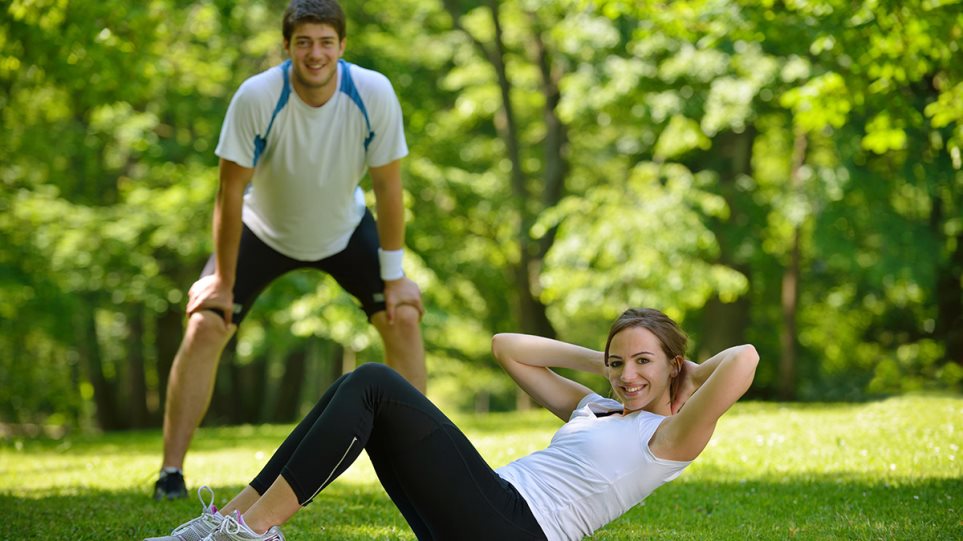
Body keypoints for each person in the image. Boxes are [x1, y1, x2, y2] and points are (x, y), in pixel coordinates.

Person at [145, 308, 758, 540]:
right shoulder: (593, 407)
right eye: (618, 362)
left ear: (673, 365)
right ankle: (227, 522)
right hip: (486, 512)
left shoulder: (670, 439)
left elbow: (745, 361)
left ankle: (250, 533)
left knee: (376, 384)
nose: (627, 376)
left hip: (518, 527)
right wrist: (598, 360)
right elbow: (507, 346)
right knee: (354, 389)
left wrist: (688, 372)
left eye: (643, 363)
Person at [153, 0, 426, 501]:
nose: (315, 53)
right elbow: (230, 192)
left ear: (342, 46)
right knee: (204, 322)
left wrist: (394, 277)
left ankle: (425, 466)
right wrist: (223, 281)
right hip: (263, 230)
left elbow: (389, 188)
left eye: (325, 42)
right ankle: (170, 472)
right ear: (287, 47)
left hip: (343, 229)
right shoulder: (258, 96)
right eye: (303, 42)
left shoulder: (373, 92)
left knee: (402, 314)